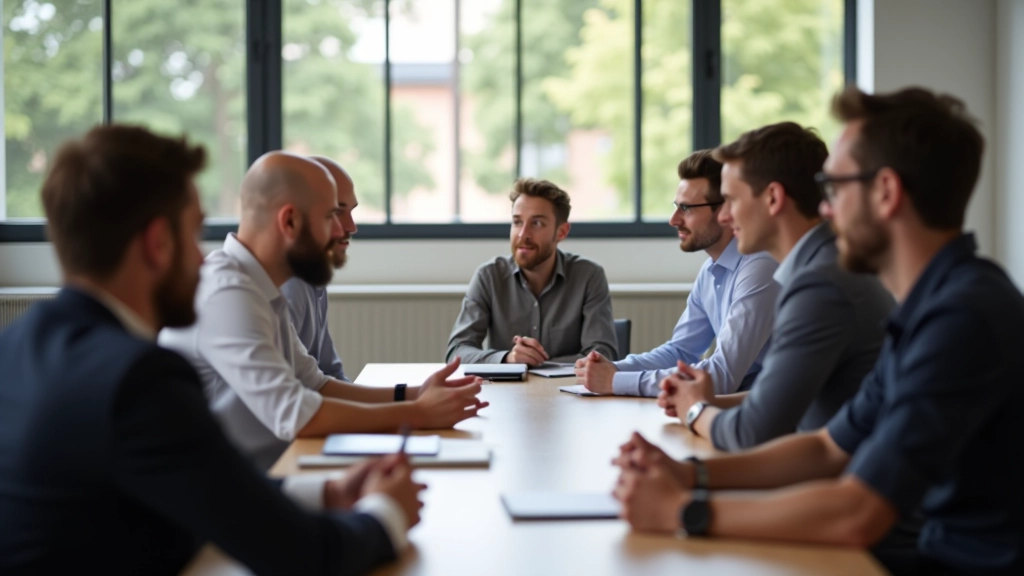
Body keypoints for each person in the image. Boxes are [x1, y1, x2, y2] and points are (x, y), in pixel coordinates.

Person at [612, 86, 1024, 576]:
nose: (823, 209)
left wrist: (682, 509)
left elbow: (857, 513)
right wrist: (686, 472)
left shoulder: (962, 316)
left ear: (886, 193)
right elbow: (828, 446)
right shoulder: (930, 304)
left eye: (834, 187)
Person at [0, 125, 423, 575]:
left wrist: (328, 493)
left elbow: (189, 494)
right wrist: (385, 512)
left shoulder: (15, 346)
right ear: (158, 243)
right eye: (195, 232)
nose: (205, 261)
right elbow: (304, 555)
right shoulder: (140, 380)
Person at [160, 152, 487, 469]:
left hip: (268, 475)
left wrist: (414, 394)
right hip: (233, 492)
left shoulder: (259, 286)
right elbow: (295, 412)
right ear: (289, 221)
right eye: (331, 216)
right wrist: (418, 413)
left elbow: (315, 384)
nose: (342, 230)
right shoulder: (227, 292)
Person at [658, 122, 893, 451]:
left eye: (731, 200)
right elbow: (785, 399)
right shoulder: (821, 265)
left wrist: (695, 410)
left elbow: (750, 433)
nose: (724, 218)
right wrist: (704, 400)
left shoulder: (819, 285)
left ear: (772, 198)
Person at [575, 150, 779, 396]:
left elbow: (722, 375)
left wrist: (615, 381)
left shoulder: (760, 266)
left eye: (687, 208)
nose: (673, 219)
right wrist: (611, 369)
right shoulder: (711, 270)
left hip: (767, 420)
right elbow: (680, 351)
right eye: (676, 206)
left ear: (725, 212)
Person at [446, 178, 617, 366]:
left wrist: (538, 364)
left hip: (567, 392)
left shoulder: (589, 277)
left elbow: (603, 354)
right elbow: (457, 352)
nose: (523, 234)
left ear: (561, 232)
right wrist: (508, 358)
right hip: (505, 394)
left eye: (536, 223)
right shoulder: (489, 276)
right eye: (517, 222)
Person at [281, 156, 354, 381]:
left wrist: (409, 400)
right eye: (336, 213)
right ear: (291, 219)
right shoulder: (287, 287)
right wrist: (409, 403)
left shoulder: (313, 277)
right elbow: (296, 401)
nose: (350, 227)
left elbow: (329, 375)